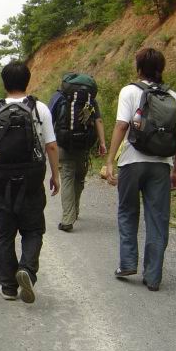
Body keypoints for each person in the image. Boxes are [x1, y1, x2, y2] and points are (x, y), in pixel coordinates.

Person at [105, 48, 176, 291]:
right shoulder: (172, 96)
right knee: (158, 219)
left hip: (131, 162)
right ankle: (153, 276)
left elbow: (122, 126)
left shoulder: (129, 91)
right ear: (161, 68)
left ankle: (128, 263)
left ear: (138, 68)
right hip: (161, 164)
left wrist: (110, 161)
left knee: (127, 211)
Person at [0, 61, 60, 303]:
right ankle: (27, 269)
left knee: (5, 234)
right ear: (28, 80)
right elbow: (51, 146)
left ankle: (8, 287)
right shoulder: (39, 109)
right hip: (32, 178)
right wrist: (55, 175)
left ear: (4, 83)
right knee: (33, 229)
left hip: (2, 181)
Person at [48, 73, 107, 232]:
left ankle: (68, 219)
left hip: (63, 144)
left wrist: (47, 144)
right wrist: (102, 143)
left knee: (67, 178)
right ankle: (75, 210)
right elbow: (98, 120)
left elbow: (48, 120)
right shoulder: (90, 99)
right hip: (84, 145)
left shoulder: (59, 97)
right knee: (79, 178)